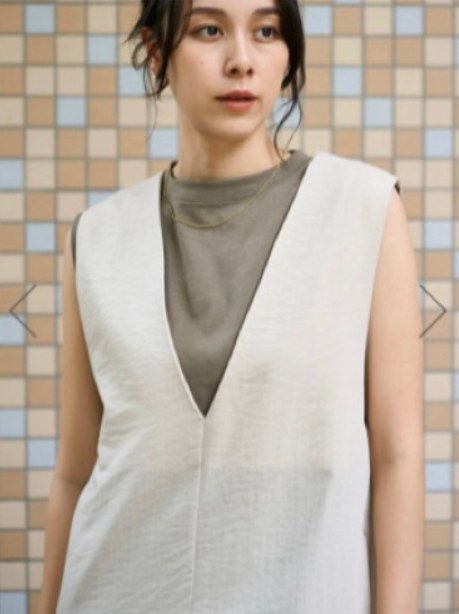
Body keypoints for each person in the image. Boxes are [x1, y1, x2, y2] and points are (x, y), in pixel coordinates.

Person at [37, 0, 425, 613]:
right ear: (157, 52)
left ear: (288, 53)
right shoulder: (97, 237)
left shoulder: (362, 209)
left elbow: (397, 457)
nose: (241, 60)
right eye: (209, 30)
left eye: (266, 31)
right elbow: (74, 473)